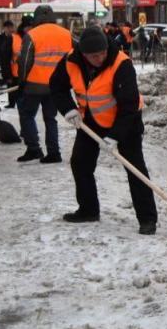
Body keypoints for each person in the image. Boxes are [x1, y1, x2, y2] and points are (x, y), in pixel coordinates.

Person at [50, 26, 157, 235]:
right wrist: (68, 109)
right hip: (90, 122)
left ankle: (147, 219)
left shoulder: (121, 64)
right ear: (83, 54)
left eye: (101, 54)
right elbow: (57, 86)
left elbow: (129, 105)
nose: (99, 59)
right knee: (80, 163)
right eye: (93, 56)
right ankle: (88, 210)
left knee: (135, 169)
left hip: (126, 123)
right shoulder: (71, 60)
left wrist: (115, 136)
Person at [17, 5, 74, 163]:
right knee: (51, 118)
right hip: (56, 86)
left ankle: (34, 149)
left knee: (27, 115)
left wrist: (22, 81)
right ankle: (54, 153)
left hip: (34, 84)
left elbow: (25, 61)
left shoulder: (32, 35)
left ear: (36, 18)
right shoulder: (66, 34)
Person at [7, 16, 33, 109]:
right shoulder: (14, 37)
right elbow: (8, 53)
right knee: (15, 93)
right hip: (16, 71)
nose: (29, 30)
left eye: (31, 28)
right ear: (23, 27)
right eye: (28, 27)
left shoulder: (33, 37)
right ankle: (13, 104)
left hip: (29, 71)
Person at [0, 20, 15, 87]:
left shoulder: (14, 38)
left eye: (11, 27)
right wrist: (0, 61)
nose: (10, 29)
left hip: (14, 66)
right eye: (8, 27)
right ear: (4, 28)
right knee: (9, 87)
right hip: (4, 66)